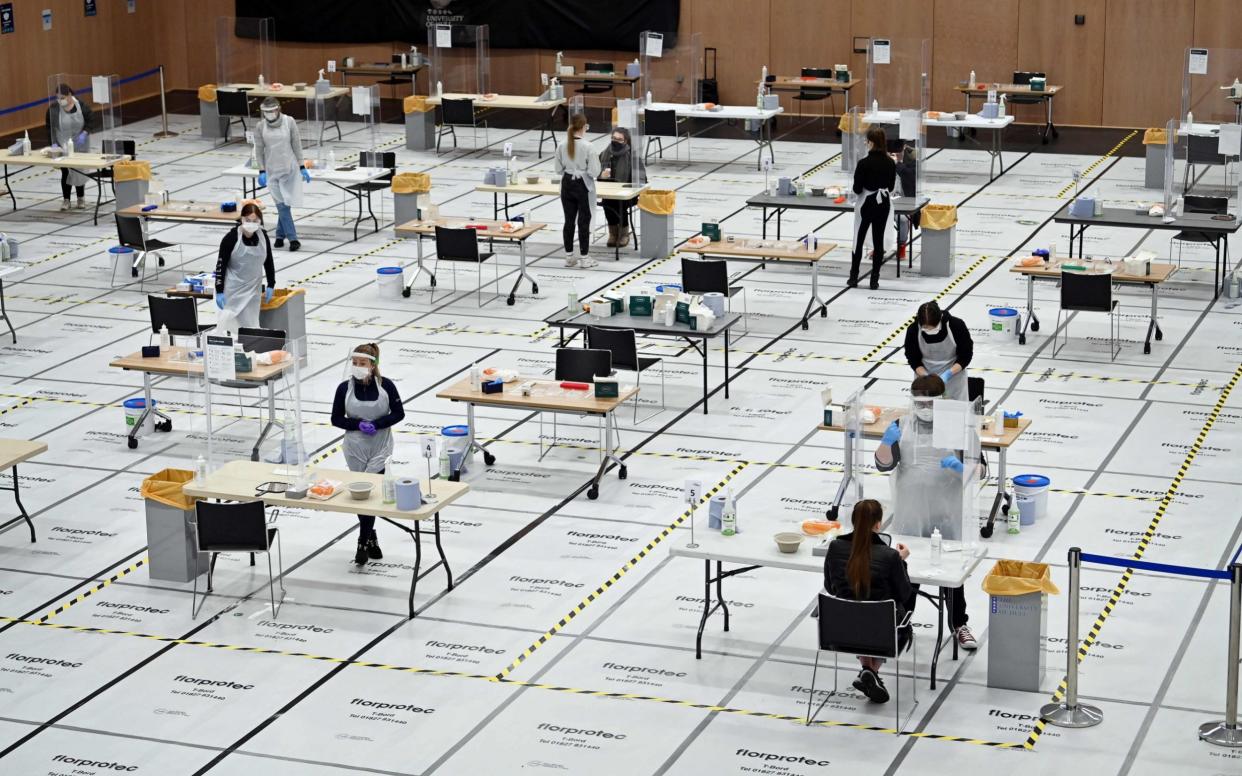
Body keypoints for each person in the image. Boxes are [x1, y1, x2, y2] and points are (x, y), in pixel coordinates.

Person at [874, 374, 977, 651]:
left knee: (953, 569)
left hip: (946, 510)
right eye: (920, 403)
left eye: (930, 403)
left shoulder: (959, 426)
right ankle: (900, 623)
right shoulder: (901, 425)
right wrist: (886, 443)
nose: (925, 409)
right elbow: (884, 465)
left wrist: (959, 467)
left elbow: (979, 472)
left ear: (942, 400)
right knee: (904, 569)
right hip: (911, 511)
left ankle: (959, 624)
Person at [825, 499, 916, 704]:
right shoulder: (890, 556)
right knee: (886, 613)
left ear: (853, 521)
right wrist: (901, 562)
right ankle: (870, 671)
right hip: (883, 634)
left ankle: (868, 671)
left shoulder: (835, 547)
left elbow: (831, 588)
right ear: (878, 525)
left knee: (861, 616)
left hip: (841, 631)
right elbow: (904, 594)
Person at [331, 343, 405, 565]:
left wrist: (379, 423)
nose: (357, 366)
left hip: (380, 446)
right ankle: (371, 538)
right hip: (355, 447)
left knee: (371, 493)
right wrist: (356, 424)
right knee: (360, 494)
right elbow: (336, 419)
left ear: (373, 365)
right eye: (354, 363)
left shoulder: (387, 386)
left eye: (362, 363)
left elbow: (399, 413)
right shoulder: (344, 388)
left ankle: (362, 542)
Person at [253, 97, 311, 252]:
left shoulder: (289, 121)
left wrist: (302, 166)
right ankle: (293, 239)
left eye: (271, 111)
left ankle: (279, 235)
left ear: (278, 109)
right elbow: (258, 150)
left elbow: (296, 144)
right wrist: (261, 170)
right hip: (272, 172)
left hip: (290, 169)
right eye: (265, 112)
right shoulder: (260, 126)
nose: (269, 114)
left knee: (285, 205)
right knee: (282, 206)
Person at [214, 203, 276, 329]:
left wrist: (271, 283)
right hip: (232, 290)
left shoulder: (263, 237)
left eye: (255, 221)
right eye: (248, 220)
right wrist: (219, 290)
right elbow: (221, 266)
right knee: (229, 326)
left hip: (253, 288)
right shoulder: (230, 238)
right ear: (242, 219)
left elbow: (268, 261)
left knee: (251, 325)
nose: (251, 223)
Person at [850, 126, 896, 290]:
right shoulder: (891, 162)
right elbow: (890, 187)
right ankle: (874, 279)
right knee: (878, 242)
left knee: (859, 239)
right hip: (883, 204)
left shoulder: (864, 163)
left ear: (870, 143)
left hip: (866, 204)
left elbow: (856, 189)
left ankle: (854, 276)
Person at [554, 113, 601, 268]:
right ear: (583, 127)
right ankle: (584, 257)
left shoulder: (561, 145)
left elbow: (558, 169)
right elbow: (594, 171)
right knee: (583, 220)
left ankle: (569, 256)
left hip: (567, 183)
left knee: (569, 220)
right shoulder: (588, 146)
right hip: (582, 184)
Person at [903, 300, 973, 401]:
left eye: (933, 328)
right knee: (925, 410)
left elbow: (965, 355)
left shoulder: (956, 325)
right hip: (925, 379)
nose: (929, 331)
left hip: (954, 376)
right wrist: (928, 378)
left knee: (955, 410)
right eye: (925, 328)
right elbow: (913, 358)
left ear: (940, 318)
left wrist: (948, 374)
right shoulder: (913, 330)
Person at [45, 84, 93, 212]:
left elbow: (90, 120)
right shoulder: (54, 109)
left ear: (70, 95)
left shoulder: (81, 106)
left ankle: (81, 198)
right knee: (66, 172)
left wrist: (85, 133)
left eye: (63, 97)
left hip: (80, 144)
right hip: (63, 144)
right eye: (58, 98)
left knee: (79, 171)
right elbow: (50, 127)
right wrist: (53, 144)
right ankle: (66, 200)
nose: (61, 100)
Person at [597, 126, 639, 248]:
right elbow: (594, 171)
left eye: (619, 139)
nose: (615, 141)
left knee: (619, 206)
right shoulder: (605, 153)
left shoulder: (632, 156)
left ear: (625, 141)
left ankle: (624, 234)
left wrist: (630, 187)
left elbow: (641, 178)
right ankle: (613, 233)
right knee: (607, 205)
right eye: (613, 138)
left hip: (627, 193)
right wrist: (601, 175)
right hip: (609, 191)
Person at [894, 144, 918, 260]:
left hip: (905, 199)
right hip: (887, 197)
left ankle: (902, 244)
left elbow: (909, 174)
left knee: (902, 219)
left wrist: (898, 162)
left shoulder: (912, 157)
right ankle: (879, 246)